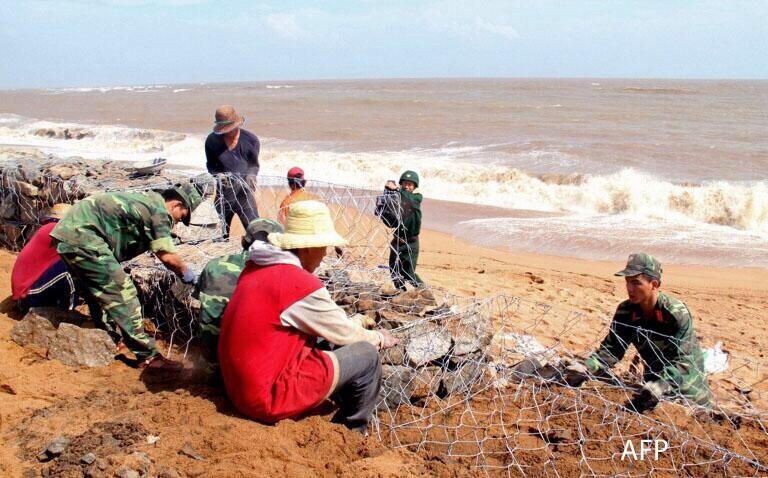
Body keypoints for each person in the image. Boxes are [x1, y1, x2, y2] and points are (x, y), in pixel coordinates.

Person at [218, 200, 398, 433]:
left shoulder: (256, 266)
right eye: (323, 246)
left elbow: (320, 322)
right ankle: (352, 430)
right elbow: (344, 333)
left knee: (322, 343)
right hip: (264, 398)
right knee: (366, 355)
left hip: (235, 388)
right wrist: (379, 338)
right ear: (307, 247)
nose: (324, 254)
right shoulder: (298, 283)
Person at [50, 183, 203, 370]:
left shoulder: (146, 201)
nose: (177, 222)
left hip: (70, 235)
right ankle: (147, 356)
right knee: (123, 293)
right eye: (181, 217)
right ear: (176, 205)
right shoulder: (159, 212)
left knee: (96, 292)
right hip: (85, 239)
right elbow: (167, 256)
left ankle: (107, 338)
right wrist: (187, 274)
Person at [563, 253, 712, 413]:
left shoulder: (675, 314)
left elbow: (684, 361)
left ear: (653, 284)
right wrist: (588, 367)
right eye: (627, 282)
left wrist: (661, 385)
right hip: (650, 389)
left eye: (636, 283)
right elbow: (612, 350)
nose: (630, 289)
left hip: (688, 394)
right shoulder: (626, 312)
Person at [195, 218, 283, 364]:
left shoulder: (213, 265)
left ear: (243, 241)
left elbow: (203, 303)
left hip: (208, 364)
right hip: (246, 367)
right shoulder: (276, 275)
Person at [205, 105, 260, 238]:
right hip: (224, 194)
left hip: (244, 193)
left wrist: (252, 175)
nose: (226, 131)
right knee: (220, 236)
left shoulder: (251, 140)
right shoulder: (211, 141)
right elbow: (211, 165)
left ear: (236, 123)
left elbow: (254, 165)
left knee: (256, 232)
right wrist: (218, 175)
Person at [12, 204, 80, 311]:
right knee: (70, 266)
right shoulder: (55, 229)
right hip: (27, 296)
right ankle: (69, 314)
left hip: (26, 295)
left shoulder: (47, 228)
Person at [375, 170, 424, 291]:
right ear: (401, 184)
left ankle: (424, 291)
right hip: (396, 241)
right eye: (405, 184)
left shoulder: (416, 198)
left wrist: (396, 189)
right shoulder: (397, 201)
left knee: (408, 273)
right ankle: (400, 292)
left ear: (414, 187)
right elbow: (391, 224)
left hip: (410, 244)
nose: (407, 186)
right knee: (394, 270)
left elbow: (409, 199)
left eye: (410, 184)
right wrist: (382, 210)